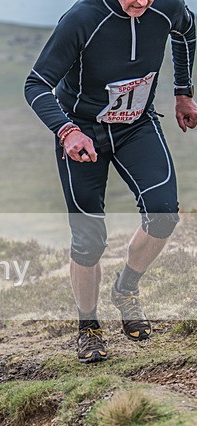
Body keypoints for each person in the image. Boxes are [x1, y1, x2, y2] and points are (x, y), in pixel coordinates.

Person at [24, 0, 197, 363]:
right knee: (89, 240)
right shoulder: (82, 18)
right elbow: (36, 84)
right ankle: (88, 327)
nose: (141, 3)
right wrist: (66, 130)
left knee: (164, 215)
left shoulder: (168, 7)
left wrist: (183, 92)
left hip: (136, 126)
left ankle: (127, 288)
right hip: (82, 129)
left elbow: (186, 32)